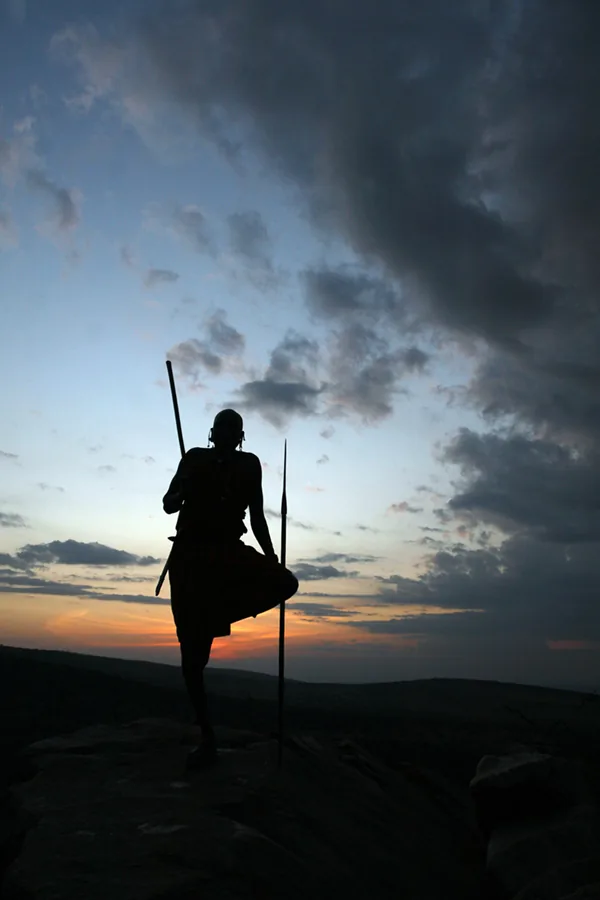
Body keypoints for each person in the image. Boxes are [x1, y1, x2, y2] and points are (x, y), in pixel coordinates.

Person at [162, 408, 298, 769]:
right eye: (219, 427)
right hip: (191, 558)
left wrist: (270, 556)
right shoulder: (193, 458)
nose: (224, 433)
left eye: (231, 428)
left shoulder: (250, 464)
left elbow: (256, 516)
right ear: (212, 432)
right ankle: (207, 737)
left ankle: (219, 613)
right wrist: (184, 491)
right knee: (193, 662)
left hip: (228, 552)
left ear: (240, 435)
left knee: (285, 581)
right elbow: (167, 504)